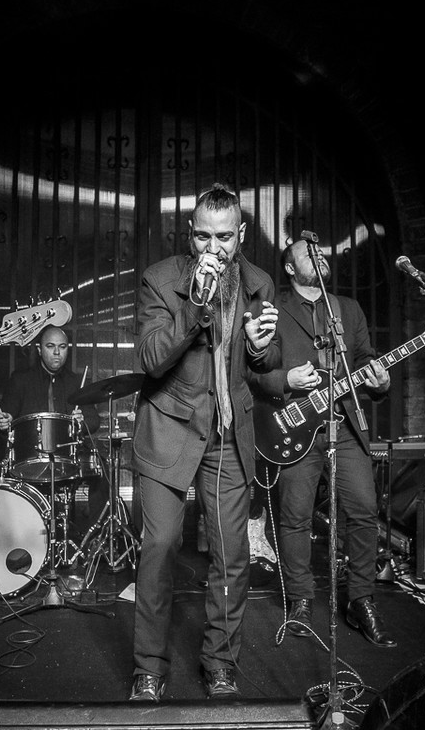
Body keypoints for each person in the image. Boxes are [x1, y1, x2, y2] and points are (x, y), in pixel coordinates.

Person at [128, 183, 280, 701]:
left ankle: (220, 663)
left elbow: (266, 363)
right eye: (201, 237)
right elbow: (151, 359)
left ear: (241, 234)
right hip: (169, 427)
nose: (212, 249)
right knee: (160, 547)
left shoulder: (259, 282)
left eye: (223, 238)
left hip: (227, 433)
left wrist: (261, 349)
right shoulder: (160, 279)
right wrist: (195, 305)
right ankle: (149, 667)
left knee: (232, 554)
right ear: (189, 234)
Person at [247, 240, 396, 647]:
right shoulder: (273, 308)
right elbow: (253, 370)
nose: (320, 257)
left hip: (345, 424)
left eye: (322, 254)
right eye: (308, 255)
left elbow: (364, 360)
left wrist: (380, 379)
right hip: (295, 426)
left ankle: (361, 600)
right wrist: (286, 380)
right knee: (294, 514)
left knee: (363, 510)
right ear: (290, 269)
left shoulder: (348, 309)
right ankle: (300, 599)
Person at [0, 326, 106, 528]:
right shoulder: (20, 380)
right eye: (50, 346)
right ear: (39, 349)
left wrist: (81, 421)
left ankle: (94, 534)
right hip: (31, 456)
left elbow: (94, 421)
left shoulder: (76, 382)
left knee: (102, 469)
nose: (56, 352)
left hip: (68, 456)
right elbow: (6, 422)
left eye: (62, 347)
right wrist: (4, 422)